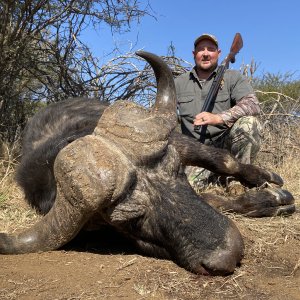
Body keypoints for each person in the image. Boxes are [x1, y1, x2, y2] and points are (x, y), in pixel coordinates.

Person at [175, 33, 262, 188]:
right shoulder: (178, 83)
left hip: (225, 150)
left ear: (219, 53)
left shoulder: (232, 77)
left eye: (211, 49)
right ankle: (218, 179)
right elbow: (163, 115)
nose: (206, 53)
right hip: (196, 153)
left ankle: (238, 180)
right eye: (201, 50)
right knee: (188, 190)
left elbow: (253, 104)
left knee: (249, 123)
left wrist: (219, 118)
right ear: (194, 54)